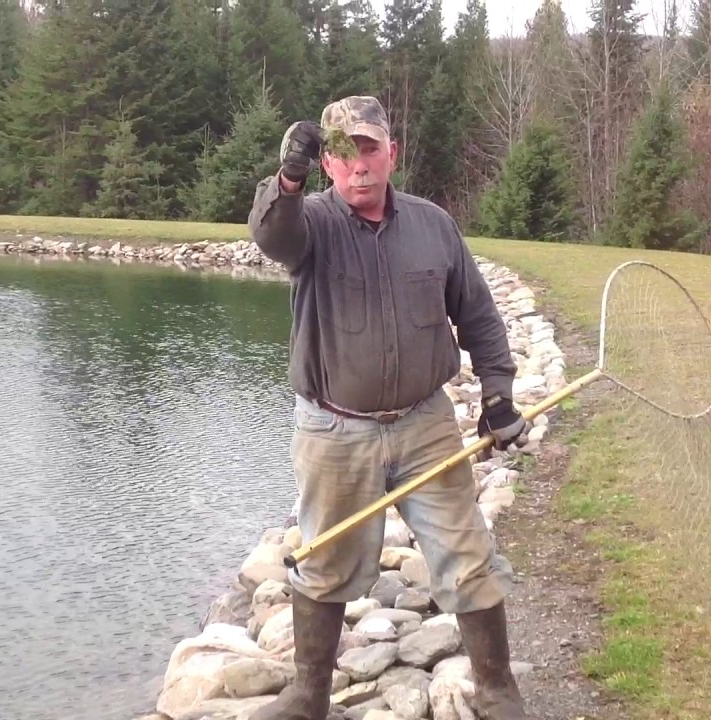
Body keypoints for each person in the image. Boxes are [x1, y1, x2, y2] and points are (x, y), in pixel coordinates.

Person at [246, 95, 535, 720]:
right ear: (328, 163)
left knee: (468, 552)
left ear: (391, 153)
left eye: (369, 149)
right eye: (343, 153)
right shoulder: (311, 223)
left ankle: (496, 688)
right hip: (332, 429)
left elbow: (478, 313)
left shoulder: (434, 225)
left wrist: (499, 393)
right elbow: (271, 237)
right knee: (324, 558)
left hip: (426, 424)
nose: (359, 165)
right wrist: (285, 180)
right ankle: (308, 693)